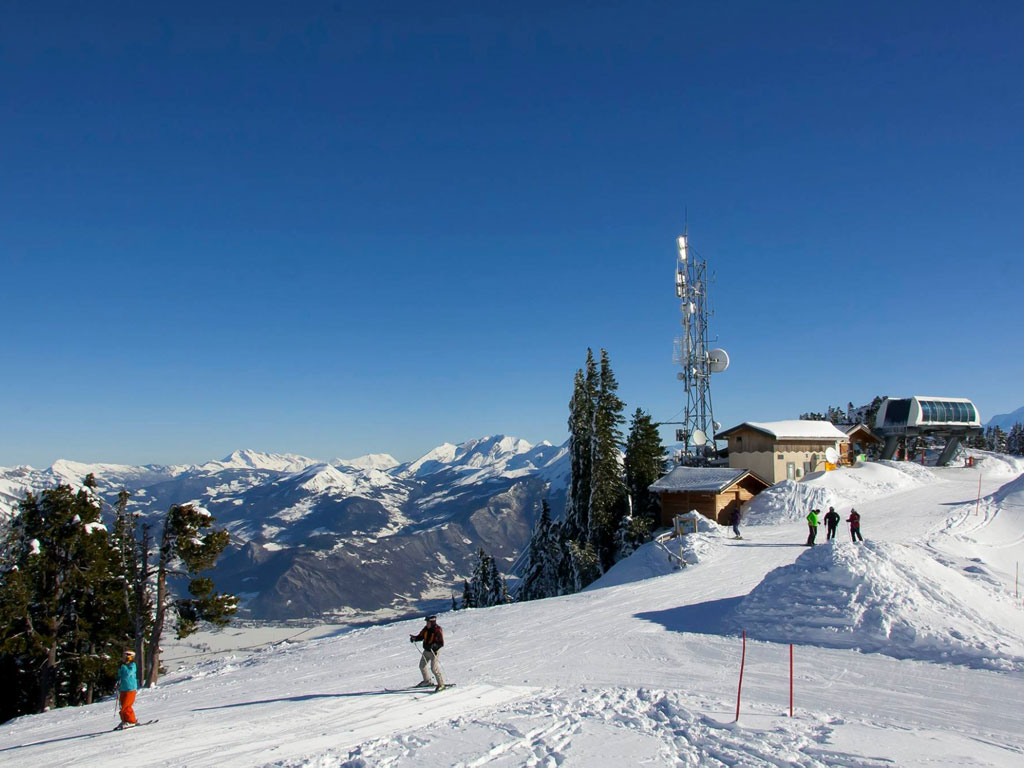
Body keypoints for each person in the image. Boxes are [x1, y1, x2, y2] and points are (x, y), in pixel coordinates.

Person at [409, 614, 445, 691]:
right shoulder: (426, 629)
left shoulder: (437, 630)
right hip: (426, 651)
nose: (426, 624)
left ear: (432, 623)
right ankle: (427, 681)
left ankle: (441, 684)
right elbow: (420, 636)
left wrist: (433, 646)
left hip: (434, 652)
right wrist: (414, 638)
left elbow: (441, 643)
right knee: (422, 666)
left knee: (434, 668)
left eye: (428, 622)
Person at [116, 650, 139, 730]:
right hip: (123, 688)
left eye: (126, 656)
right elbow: (120, 676)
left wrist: (123, 666)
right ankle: (125, 720)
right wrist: (117, 682)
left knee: (127, 706)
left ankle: (132, 721)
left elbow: (128, 674)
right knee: (122, 706)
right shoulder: (123, 665)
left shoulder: (132, 665)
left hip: (130, 688)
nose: (124, 658)